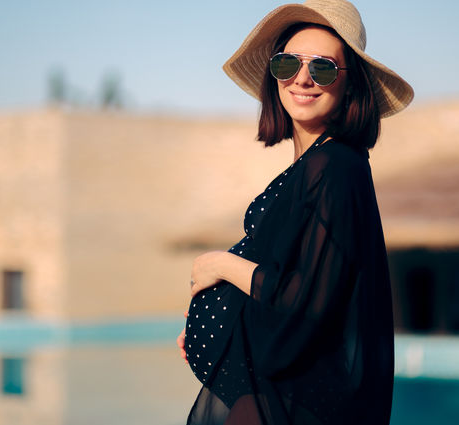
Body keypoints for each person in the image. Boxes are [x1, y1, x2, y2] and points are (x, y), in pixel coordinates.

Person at [176, 1, 414, 424]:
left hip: (291, 400)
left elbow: (306, 300)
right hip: (263, 389)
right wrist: (223, 326)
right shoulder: (314, 166)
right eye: (288, 64)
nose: (302, 79)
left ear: (350, 84)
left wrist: (220, 265)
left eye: (323, 68)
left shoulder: (336, 167)